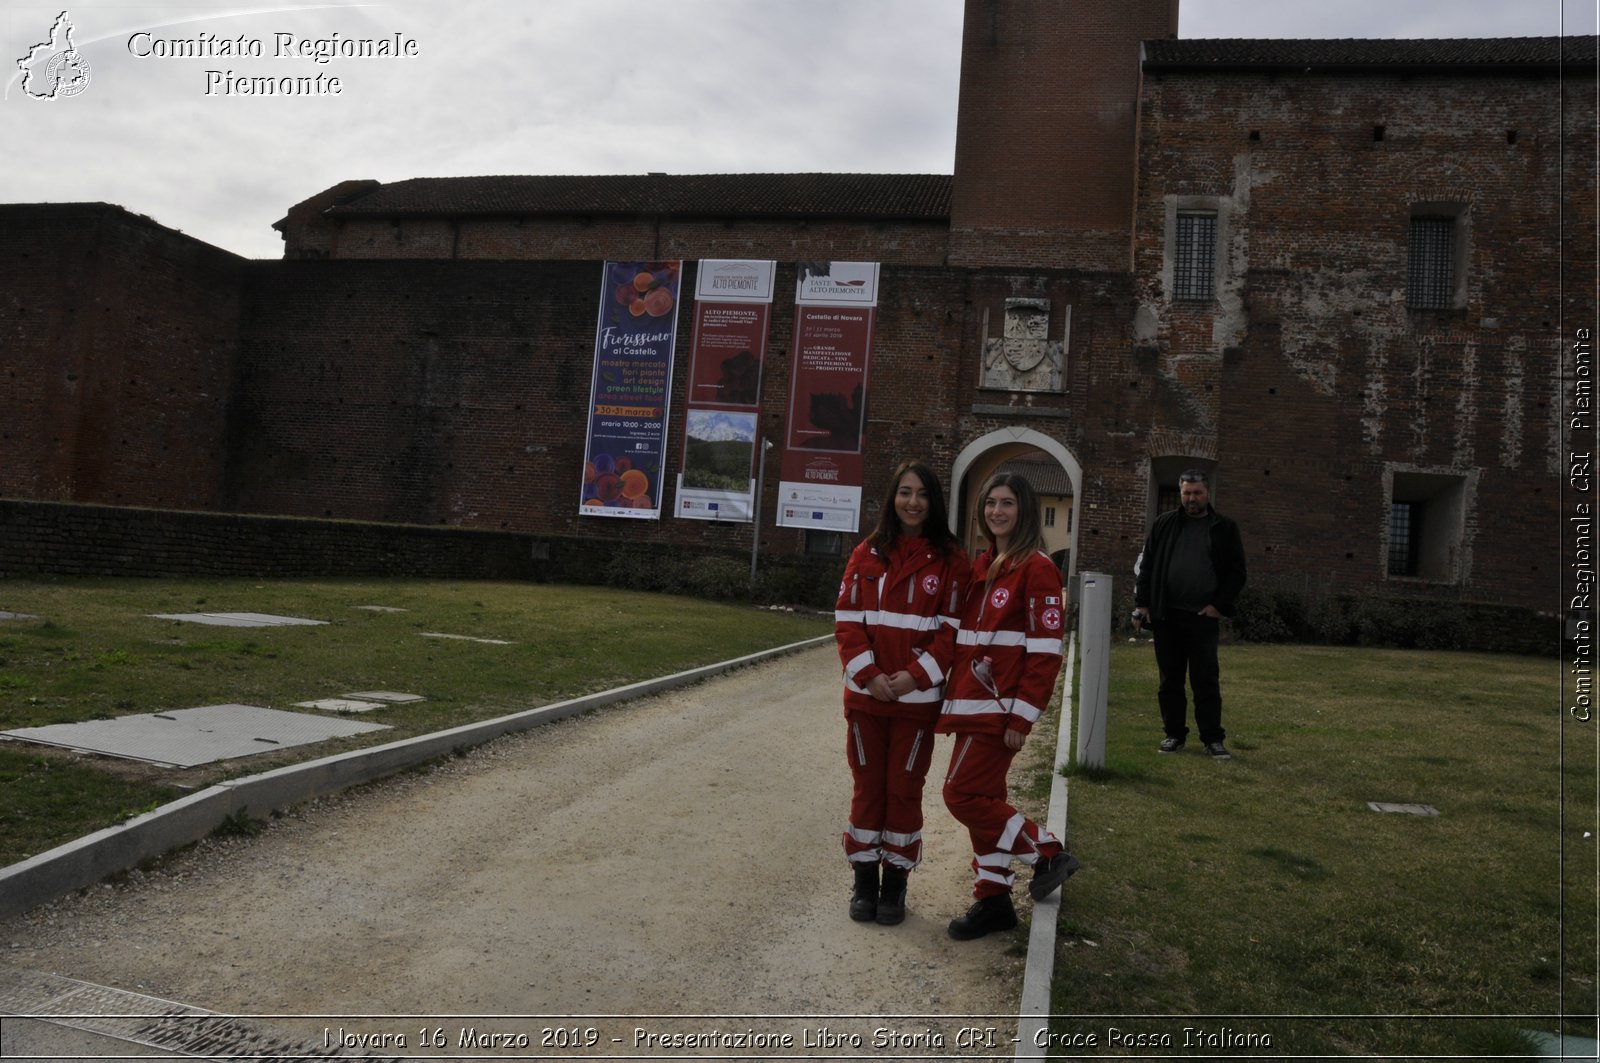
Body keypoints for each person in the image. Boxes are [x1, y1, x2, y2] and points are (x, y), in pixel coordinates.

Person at [937, 472, 1080, 941]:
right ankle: (994, 899)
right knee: (986, 802)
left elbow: (1045, 653)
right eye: (990, 503)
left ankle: (1047, 851)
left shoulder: (1038, 568)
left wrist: (1023, 715)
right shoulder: (985, 566)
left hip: (999, 712)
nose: (997, 511)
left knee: (961, 795)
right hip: (971, 706)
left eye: (1008, 504)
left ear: (1025, 511)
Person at [834, 461, 968, 926]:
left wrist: (914, 676)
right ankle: (864, 880)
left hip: (915, 704)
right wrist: (869, 675)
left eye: (922, 494)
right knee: (868, 789)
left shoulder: (952, 560)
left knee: (904, 791)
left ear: (934, 502)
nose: (913, 503)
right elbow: (847, 620)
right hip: (866, 699)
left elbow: (952, 632)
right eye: (904, 493)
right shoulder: (866, 553)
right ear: (892, 498)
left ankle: (896, 884)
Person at [1131, 469, 1248, 759]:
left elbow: (1237, 572)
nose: (1192, 498)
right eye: (1186, 493)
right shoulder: (1164, 524)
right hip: (1166, 615)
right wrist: (1142, 604)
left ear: (1207, 493)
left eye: (1197, 493)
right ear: (1180, 493)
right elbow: (1147, 567)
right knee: (1170, 680)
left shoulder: (1224, 527)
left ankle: (1212, 738)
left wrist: (1219, 606)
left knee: (1205, 680)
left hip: (1202, 617)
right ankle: (1173, 735)